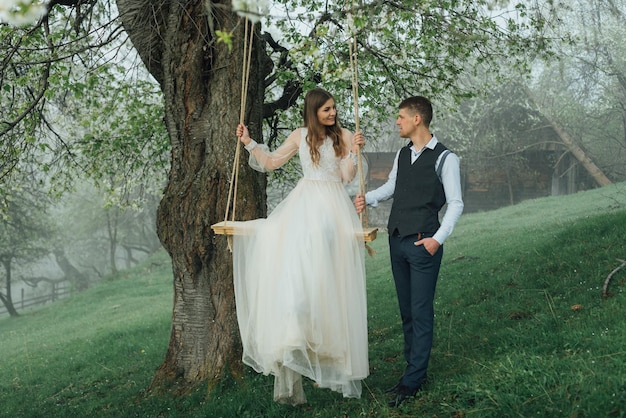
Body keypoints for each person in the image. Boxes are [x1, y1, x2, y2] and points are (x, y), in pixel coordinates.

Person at [232, 87, 369, 406]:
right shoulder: (300, 136)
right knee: (294, 262)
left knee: (325, 272)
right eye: (326, 110)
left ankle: (326, 348)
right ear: (313, 112)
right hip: (304, 202)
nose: (332, 113)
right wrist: (249, 142)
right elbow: (270, 162)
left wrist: (354, 152)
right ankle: (294, 333)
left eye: (334, 108)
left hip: (333, 203)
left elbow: (347, 176)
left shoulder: (344, 135)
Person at [354, 96, 463, 408]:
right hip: (398, 241)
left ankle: (413, 381)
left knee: (421, 311)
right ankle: (413, 372)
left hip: (423, 243)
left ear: (417, 119)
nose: (397, 122)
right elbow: (391, 187)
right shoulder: (404, 154)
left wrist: (437, 239)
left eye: (401, 117)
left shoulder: (445, 159)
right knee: (406, 312)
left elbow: (456, 203)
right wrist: (367, 197)